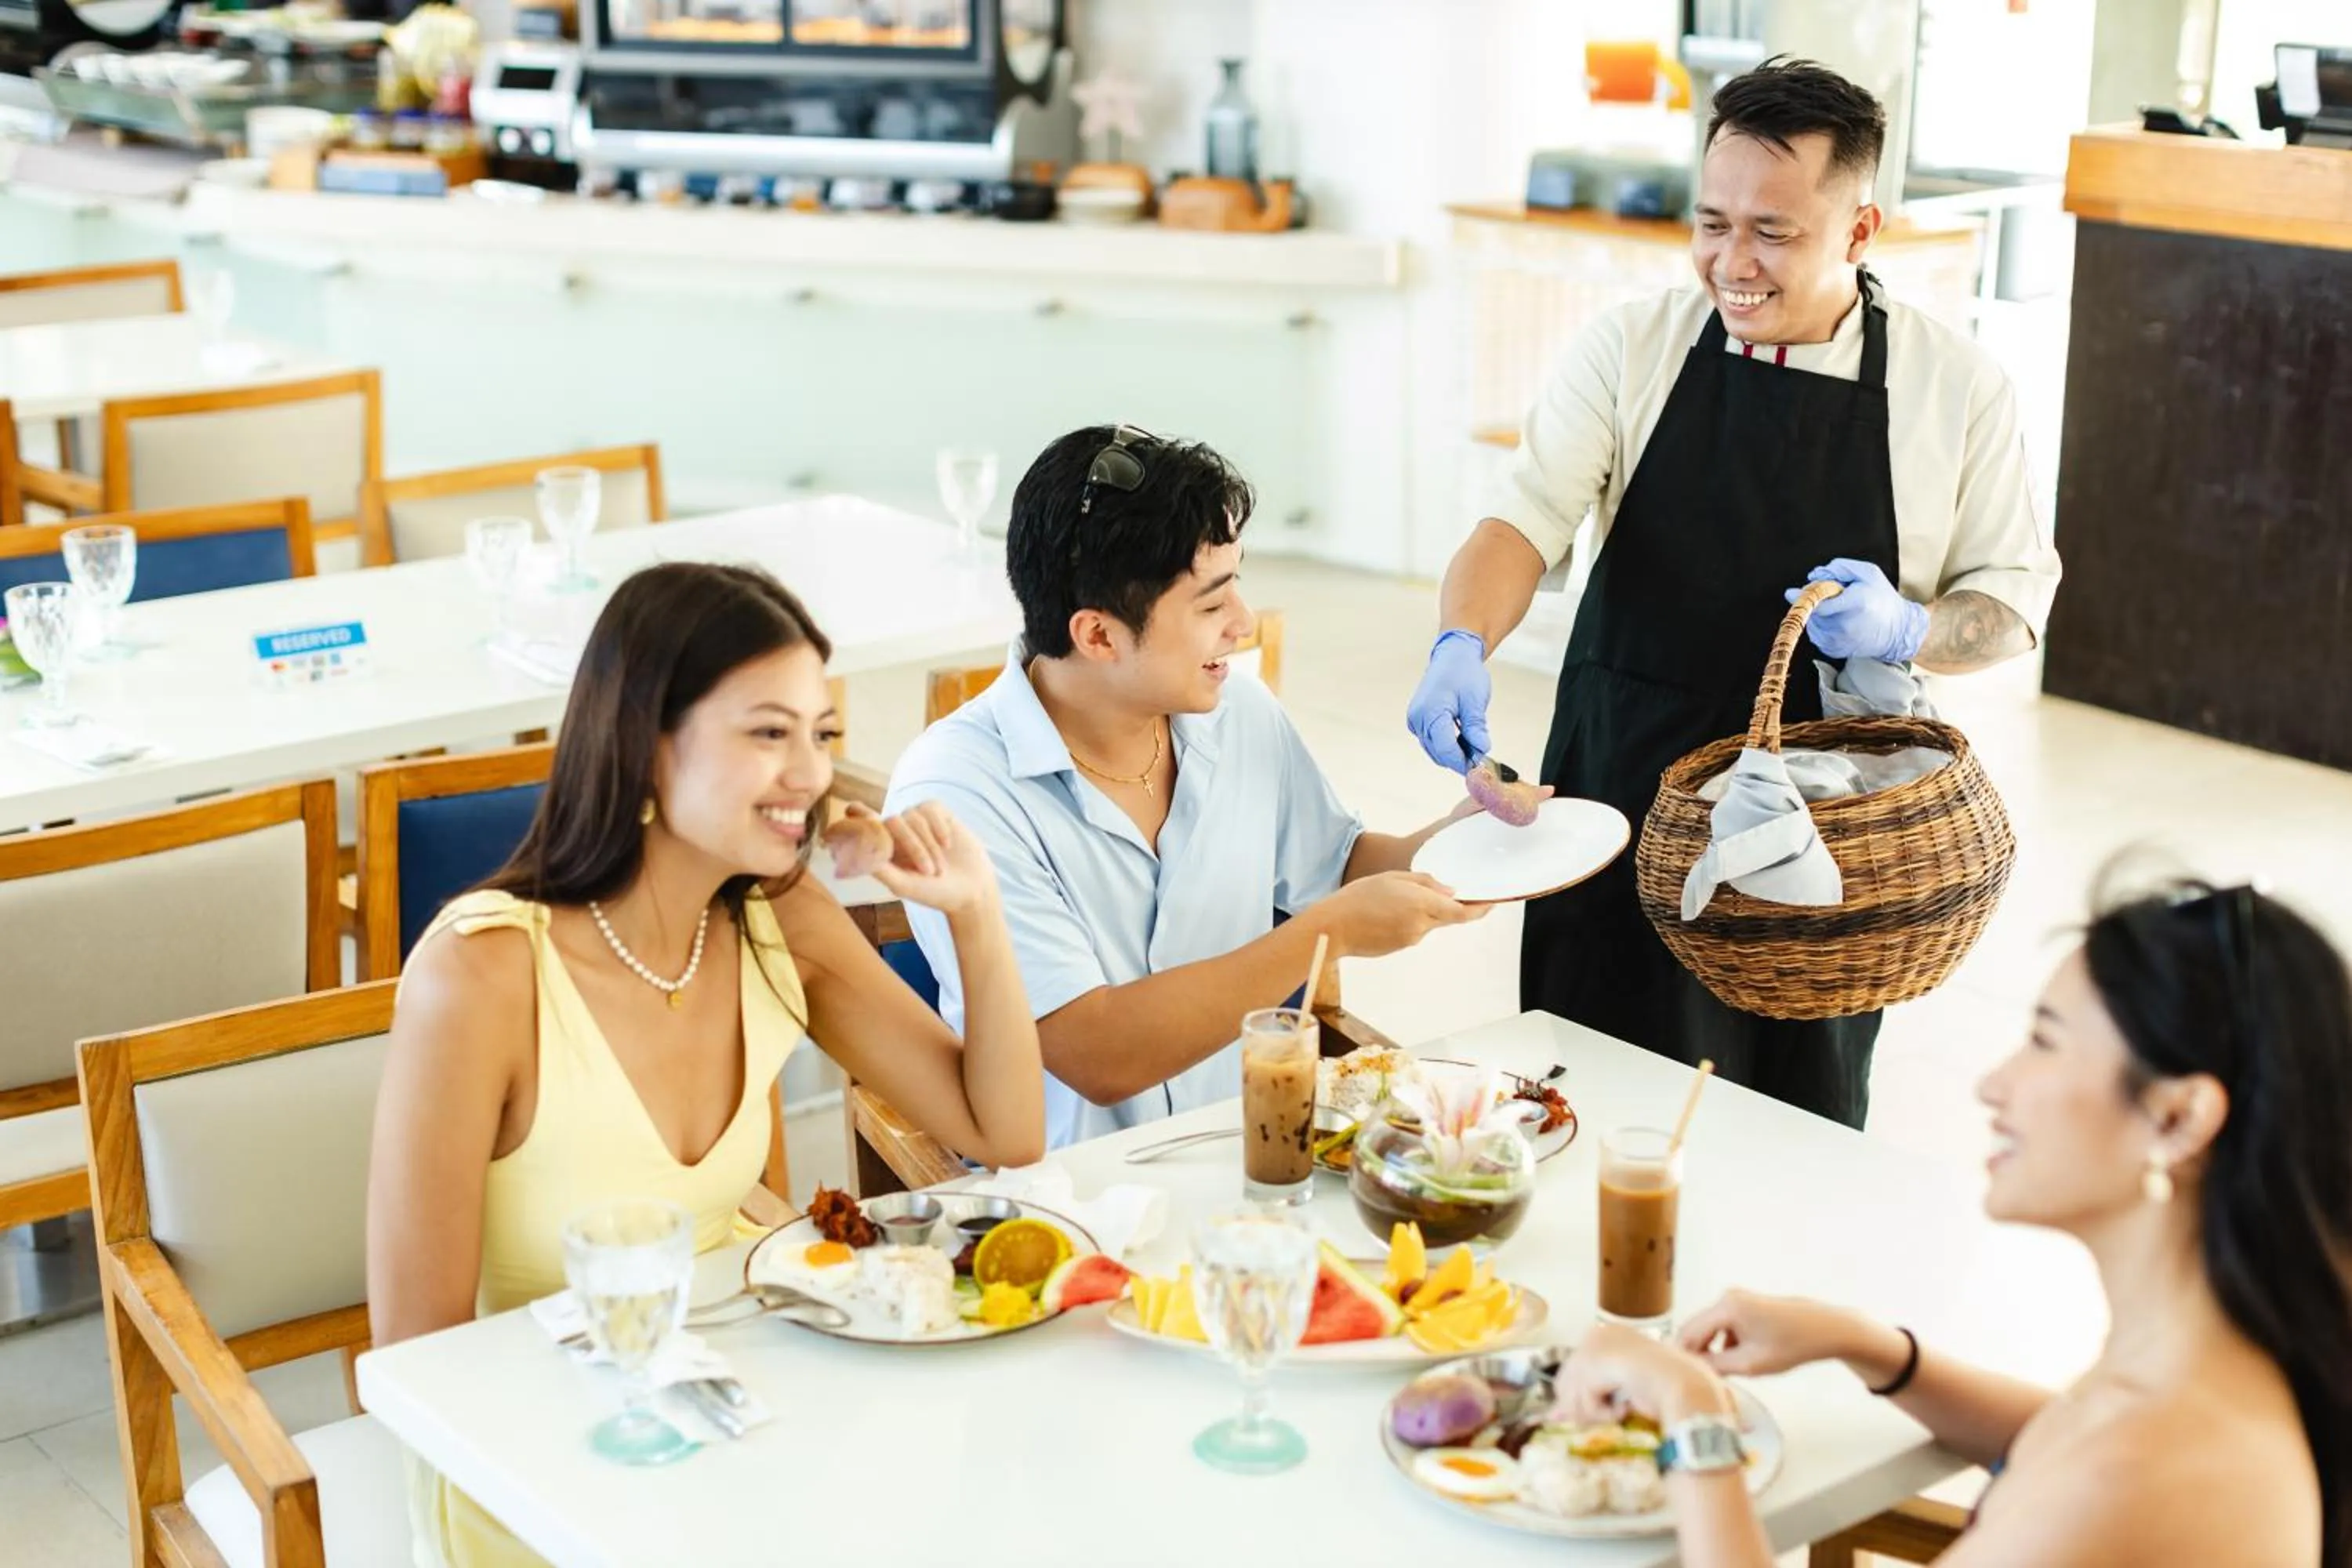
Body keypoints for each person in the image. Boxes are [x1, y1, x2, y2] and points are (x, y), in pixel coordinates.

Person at [1406, 58, 2063, 1128]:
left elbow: (2011, 601)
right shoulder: (1633, 347)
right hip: (1626, 785)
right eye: (1711, 224)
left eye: (1773, 231)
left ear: (1859, 231)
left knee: (1790, 1117)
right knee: (1591, 1086)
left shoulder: (1956, 389)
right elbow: (1522, 520)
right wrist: (1460, 641)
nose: (1731, 262)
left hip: (1824, 826)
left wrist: (1912, 625)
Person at [367, 562, 1045, 1566]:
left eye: (823, 733)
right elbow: (418, 1362)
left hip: (750, 1416)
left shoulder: (783, 918)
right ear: (647, 741)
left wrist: (977, 911)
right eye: (769, 732)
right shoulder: (482, 974)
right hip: (541, 1467)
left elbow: (1003, 1132)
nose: (811, 774)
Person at [1553, 878, 2352, 1566]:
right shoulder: (2213, 1366)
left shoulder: (2134, 1468)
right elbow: (2066, 1434)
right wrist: (1869, 1345)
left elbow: (2097, 1469)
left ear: (2178, 1118)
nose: (1993, 1084)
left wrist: (1692, 1414)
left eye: (2045, 1042)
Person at [887, 424, 1485, 1149]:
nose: (1243, 623)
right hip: (1071, 1204)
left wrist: (1465, 842)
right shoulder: (956, 792)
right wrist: (1331, 934)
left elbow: (1339, 866)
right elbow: (1095, 1052)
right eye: (1211, 604)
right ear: (1098, 636)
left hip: (1260, 1155)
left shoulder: (1241, 712)